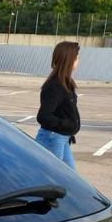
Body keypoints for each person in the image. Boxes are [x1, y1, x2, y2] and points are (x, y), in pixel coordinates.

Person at [35, 41, 80, 169]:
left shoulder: (66, 82)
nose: (78, 61)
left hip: (62, 138)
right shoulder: (55, 85)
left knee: (70, 179)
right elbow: (43, 116)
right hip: (53, 138)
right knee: (55, 178)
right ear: (69, 60)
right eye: (77, 58)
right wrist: (65, 124)